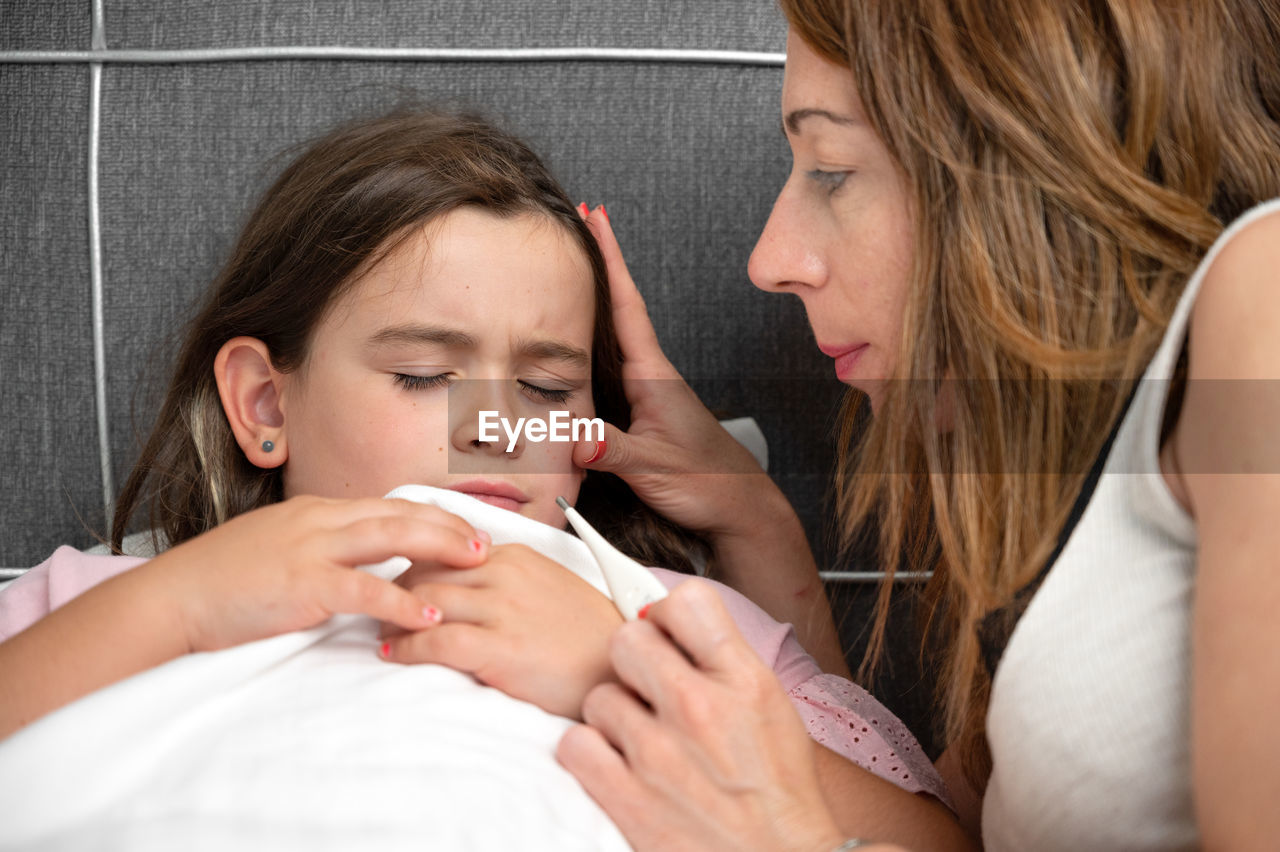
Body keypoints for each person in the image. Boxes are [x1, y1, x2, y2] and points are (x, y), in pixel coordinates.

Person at [0, 107, 950, 814]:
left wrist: (618, 669)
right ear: (264, 404)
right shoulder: (109, 597)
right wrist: (181, 603)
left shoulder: (671, 621)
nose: (496, 428)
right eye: (422, 375)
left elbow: (928, 836)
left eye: (546, 391)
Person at [556, 1, 1280, 849]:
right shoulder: (1041, 495)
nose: (770, 260)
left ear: (1032, 157)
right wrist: (751, 514)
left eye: (830, 169)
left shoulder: (1260, 301)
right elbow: (939, 835)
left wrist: (613, 665)